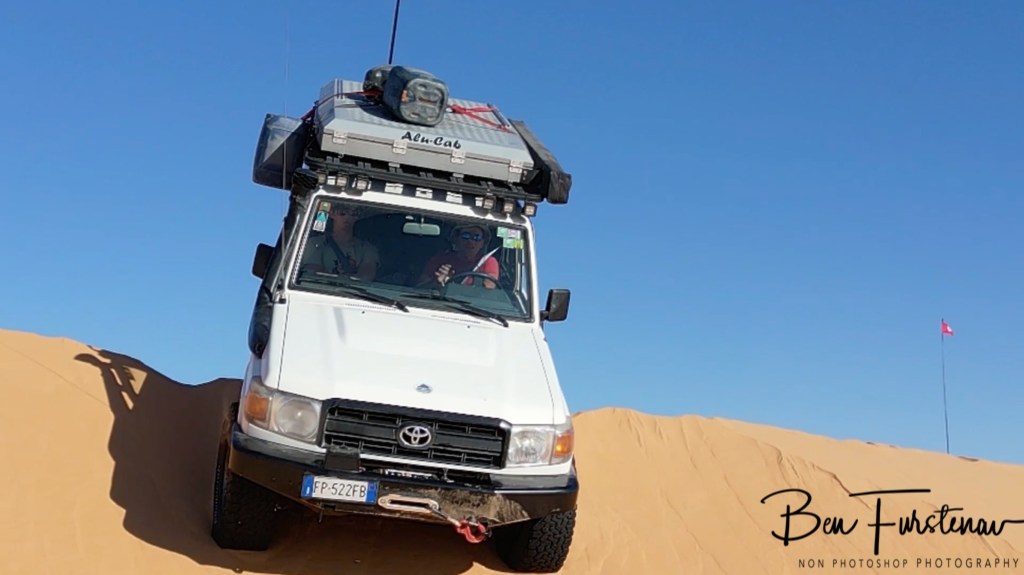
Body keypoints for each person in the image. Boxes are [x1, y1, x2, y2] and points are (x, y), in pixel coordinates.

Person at [300, 203, 379, 281]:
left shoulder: (367, 248)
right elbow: (313, 273)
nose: (347, 218)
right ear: (331, 214)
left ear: (357, 218)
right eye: (342, 214)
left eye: (353, 214)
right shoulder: (315, 243)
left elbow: (366, 275)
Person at [418, 223, 499, 289]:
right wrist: (437, 282)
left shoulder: (488, 261)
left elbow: (489, 289)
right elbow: (420, 286)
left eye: (476, 237)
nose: (470, 241)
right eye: (465, 236)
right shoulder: (440, 260)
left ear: (482, 243)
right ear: (456, 239)